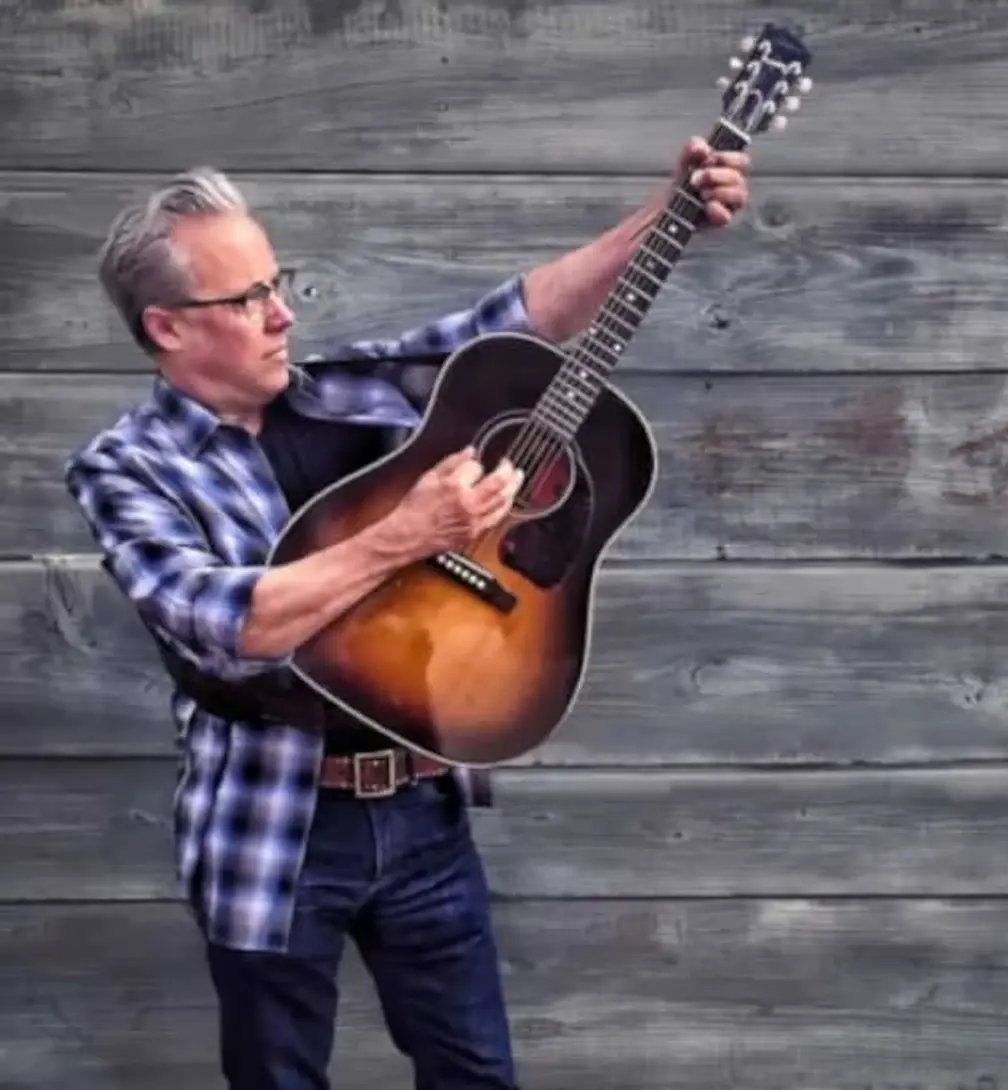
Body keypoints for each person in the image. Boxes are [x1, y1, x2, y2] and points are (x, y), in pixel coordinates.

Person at [63, 136, 749, 1090]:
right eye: (247, 298)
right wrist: (410, 532)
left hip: (425, 806)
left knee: (476, 1076)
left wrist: (663, 212)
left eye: (279, 282)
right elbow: (228, 620)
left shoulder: (352, 387)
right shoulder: (125, 468)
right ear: (168, 328)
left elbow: (522, 317)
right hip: (273, 825)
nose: (282, 313)